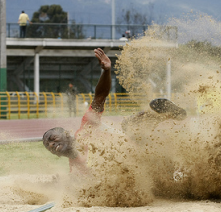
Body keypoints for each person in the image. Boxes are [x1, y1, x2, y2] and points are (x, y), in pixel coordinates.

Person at [43, 48, 186, 174]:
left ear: (66, 133)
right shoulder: (75, 169)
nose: (51, 145)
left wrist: (106, 71)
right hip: (141, 171)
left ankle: (164, 114)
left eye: (52, 138)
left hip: (139, 145)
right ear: (56, 156)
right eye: (48, 147)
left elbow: (100, 96)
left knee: (130, 125)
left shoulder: (86, 127)